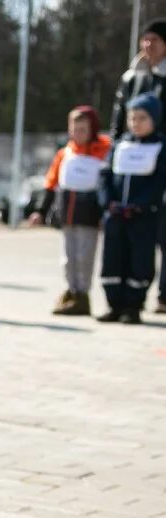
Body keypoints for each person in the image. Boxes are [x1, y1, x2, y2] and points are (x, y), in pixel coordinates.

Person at [28, 106, 111, 316]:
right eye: (74, 129)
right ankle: (71, 290)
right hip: (68, 214)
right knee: (68, 257)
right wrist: (40, 210)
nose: (77, 134)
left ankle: (83, 294)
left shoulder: (104, 151)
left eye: (83, 129)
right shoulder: (65, 153)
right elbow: (50, 183)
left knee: (85, 256)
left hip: (89, 214)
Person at [96, 93, 166, 324]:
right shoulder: (120, 145)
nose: (136, 123)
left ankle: (133, 306)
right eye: (132, 118)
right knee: (113, 260)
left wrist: (140, 205)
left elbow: (159, 182)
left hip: (142, 218)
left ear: (154, 119)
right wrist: (109, 202)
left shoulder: (160, 147)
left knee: (140, 261)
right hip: (115, 216)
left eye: (142, 118)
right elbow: (105, 176)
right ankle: (114, 305)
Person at [113, 18, 166, 314]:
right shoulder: (132, 77)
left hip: (161, 159)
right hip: (133, 162)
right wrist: (115, 149)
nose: (148, 46)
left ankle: (164, 294)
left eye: (154, 40)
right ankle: (127, 295)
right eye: (144, 40)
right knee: (135, 231)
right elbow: (119, 115)